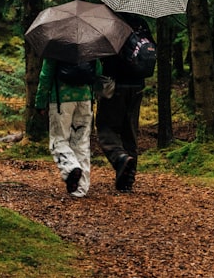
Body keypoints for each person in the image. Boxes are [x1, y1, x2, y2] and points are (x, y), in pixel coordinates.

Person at [97, 13, 155, 192]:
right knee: (130, 130)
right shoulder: (141, 23)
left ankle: (120, 157)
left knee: (106, 127)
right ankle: (127, 181)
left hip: (115, 85)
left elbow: (102, 54)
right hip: (137, 85)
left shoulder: (111, 24)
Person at [35, 57, 100, 198]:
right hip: (85, 99)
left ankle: (71, 168)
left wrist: (40, 102)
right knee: (81, 143)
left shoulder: (56, 46)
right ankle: (81, 189)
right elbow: (98, 71)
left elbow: (46, 75)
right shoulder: (89, 44)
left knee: (58, 140)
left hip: (61, 100)